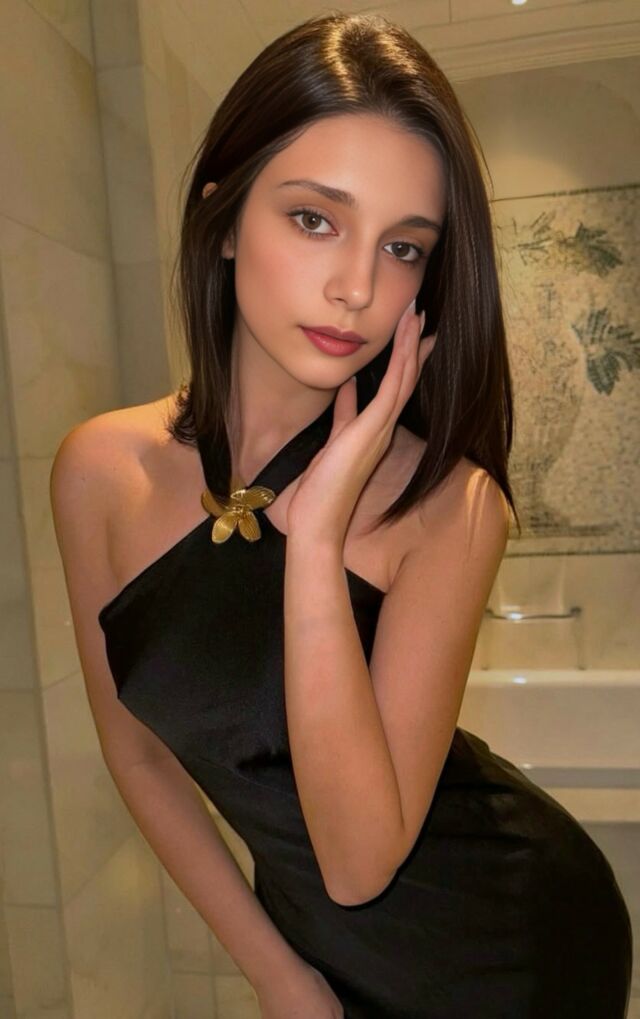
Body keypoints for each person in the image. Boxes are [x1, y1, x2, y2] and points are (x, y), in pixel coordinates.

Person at [50, 12, 633, 1018]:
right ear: (222, 220)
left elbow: (359, 863)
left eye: (403, 246)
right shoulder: (100, 470)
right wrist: (277, 973)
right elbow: (137, 750)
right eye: (315, 219)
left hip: (510, 941)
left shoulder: (450, 503)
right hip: (310, 945)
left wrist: (315, 539)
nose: (358, 287)